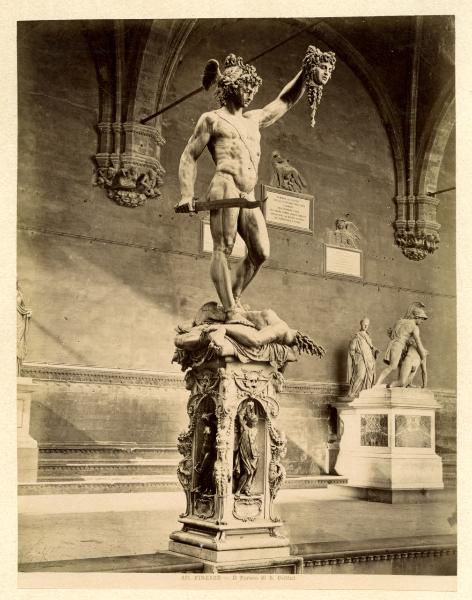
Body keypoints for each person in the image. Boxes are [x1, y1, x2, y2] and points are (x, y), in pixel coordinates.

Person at [176, 49, 335, 324]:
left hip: (247, 194)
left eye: (252, 89)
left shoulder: (253, 119)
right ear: (231, 87)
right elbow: (189, 155)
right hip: (225, 187)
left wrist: (306, 72)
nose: (250, 94)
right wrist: (186, 194)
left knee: (261, 251)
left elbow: (285, 100)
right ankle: (229, 311)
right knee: (223, 248)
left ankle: (232, 297)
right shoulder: (212, 119)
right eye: (246, 88)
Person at [375, 302, 428, 388]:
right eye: (422, 319)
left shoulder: (400, 321)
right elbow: (418, 343)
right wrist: (423, 355)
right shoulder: (415, 327)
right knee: (393, 366)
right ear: (417, 317)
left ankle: (406, 384)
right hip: (399, 346)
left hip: (395, 345)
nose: (422, 322)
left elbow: (392, 335)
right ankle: (377, 384)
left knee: (401, 366)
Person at [347, 317, 379, 398]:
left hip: (369, 359)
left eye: (367, 325)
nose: (366, 326)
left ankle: (363, 393)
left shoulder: (368, 337)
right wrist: (354, 358)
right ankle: (352, 393)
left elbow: (371, 348)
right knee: (360, 375)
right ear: (361, 324)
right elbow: (352, 348)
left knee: (367, 377)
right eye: (364, 324)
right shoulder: (358, 336)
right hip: (360, 358)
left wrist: (375, 351)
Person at [233, 401, 259, 497]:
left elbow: (253, 443)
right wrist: (247, 406)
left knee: (251, 473)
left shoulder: (255, 430)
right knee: (247, 472)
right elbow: (240, 415)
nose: (255, 423)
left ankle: (247, 489)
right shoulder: (244, 427)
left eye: (256, 422)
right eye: (253, 422)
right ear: (249, 422)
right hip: (244, 452)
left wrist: (250, 410)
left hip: (254, 454)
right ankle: (238, 491)